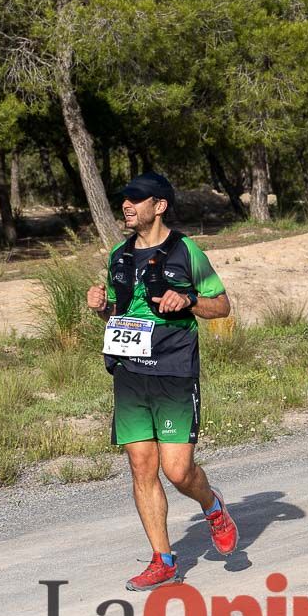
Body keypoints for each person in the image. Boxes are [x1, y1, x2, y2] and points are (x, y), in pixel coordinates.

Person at [86, 172, 238, 591]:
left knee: (177, 470)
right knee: (141, 467)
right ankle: (163, 559)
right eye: (125, 200)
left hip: (173, 370)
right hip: (130, 372)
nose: (127, 206)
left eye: (136, 199)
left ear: (160, 205)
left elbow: (222, 305)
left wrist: (188, 299)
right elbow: (119, 314)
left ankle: (212, 506)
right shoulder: (118, 254)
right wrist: (101, 308)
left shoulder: (186, 251)